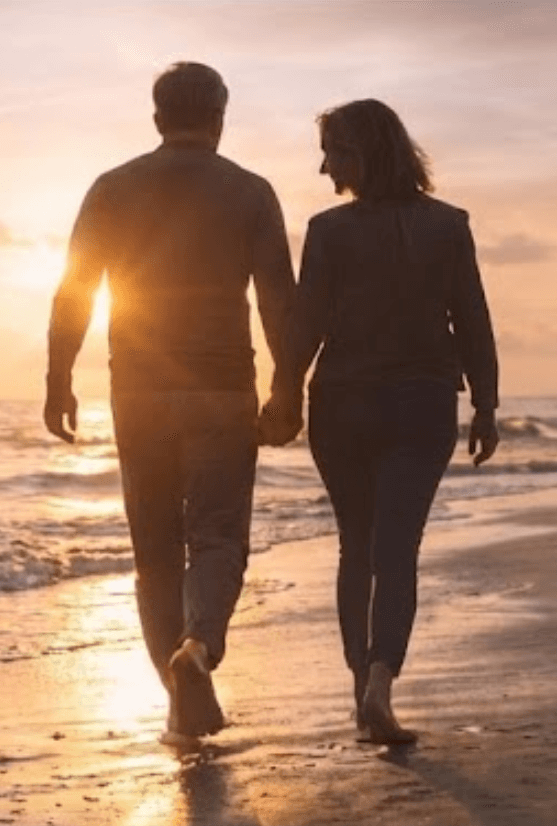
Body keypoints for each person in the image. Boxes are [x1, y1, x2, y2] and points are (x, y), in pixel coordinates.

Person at [43, 61, 298, 740]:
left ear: (158, 120)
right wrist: (289, 386)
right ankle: (198, 649)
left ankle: (178, 692)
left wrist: (57, 379)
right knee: (218, 538)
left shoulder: (111, 188)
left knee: (154, 552)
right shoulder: (250, 192)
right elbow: (277, 296)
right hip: (221, 389)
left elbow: (75, 291)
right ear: (219, 116)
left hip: (137, 389)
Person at [267, 98, 500, 744]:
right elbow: (472, 318)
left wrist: (284, 395)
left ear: (364, 152)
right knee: (396, 551)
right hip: (423, 403)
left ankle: (360, 691)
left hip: (343, 405)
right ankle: (378, 686)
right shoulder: (449, 225)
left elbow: (305, 328)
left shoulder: (328, 231)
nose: (323, 168)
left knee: (357, 547)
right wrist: (485, 403)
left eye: (332, 152)